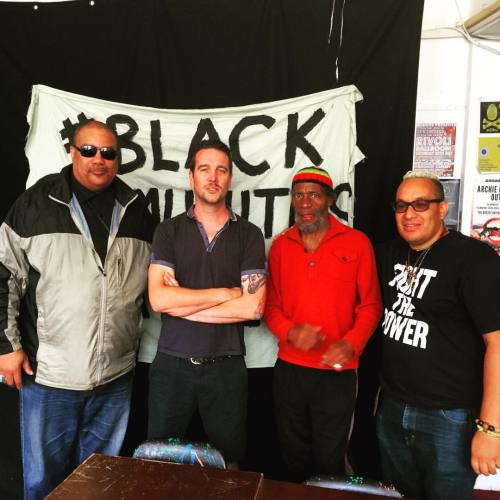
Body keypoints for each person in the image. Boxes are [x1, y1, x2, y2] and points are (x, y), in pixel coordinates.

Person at [0, 120, 155, 500]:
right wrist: (5, 347)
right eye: (88, 150)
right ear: (72, 152)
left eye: (108, 152)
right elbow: (3, 275)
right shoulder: (35, 204)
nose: (98, 159)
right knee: (43, 484)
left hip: (116, 377)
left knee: (100, 483)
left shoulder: (135, 209)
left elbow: (156, 282)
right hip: (50, 376)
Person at [376, 170, 500, 500]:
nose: (409, 214)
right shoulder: (387, 253)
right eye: (401, 206)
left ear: (442, 209)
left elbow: (498, 344)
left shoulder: (474, 259)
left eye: (420, 204)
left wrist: (490, 429)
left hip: (450, 417)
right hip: (392, 408)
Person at [147, 139, 266, 468]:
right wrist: (226, 293)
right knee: (157, 462)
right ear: (191, 177)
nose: (213, 177)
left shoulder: (250, 234)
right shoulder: (168, 231)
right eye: (204, 169)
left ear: (230, 179)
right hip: (172, 365)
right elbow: (159, 299)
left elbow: (252, 308)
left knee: (229, 464)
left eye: (221, 170)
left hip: (226, 368)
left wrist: (182, 300)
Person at [264, 166, 382, 482]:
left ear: (329, 199)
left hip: (337, 375)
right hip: (289, 370)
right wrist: (290, 332)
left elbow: (371, 305)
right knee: (293, 455)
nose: (305, 203)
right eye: (298, 195)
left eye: (314, 194)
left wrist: (351, 343)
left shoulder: (356, 243)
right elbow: (270, 307)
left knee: (331, 460)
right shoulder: (280, 245)